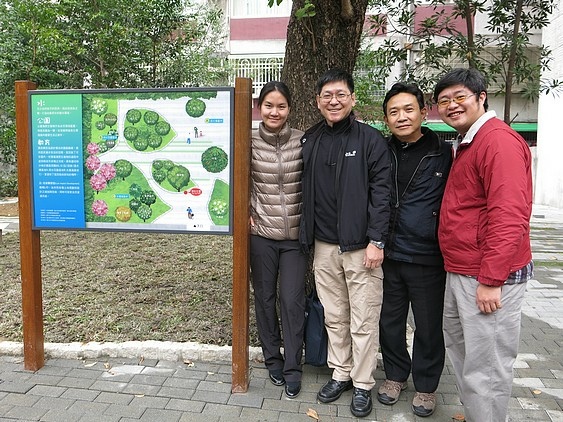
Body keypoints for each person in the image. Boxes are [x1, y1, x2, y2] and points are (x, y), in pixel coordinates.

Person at [433, 68, 533, 422]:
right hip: (463, 269)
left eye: (460, 97)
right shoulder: (471, 141)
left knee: (486, 366)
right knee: (465, 354)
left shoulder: (497, 141)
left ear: (481, 96)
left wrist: (492, 279)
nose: (452, 105)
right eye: (444, 101)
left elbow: (509, 215)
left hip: (487, 276)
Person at [299, 68, 390, 418]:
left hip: (361, 247)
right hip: (323, 246)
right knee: (335, 316)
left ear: (352, 98)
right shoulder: (310, 139)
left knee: (363, 319)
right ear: (318, 102)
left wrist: (377, 241)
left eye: (340, 95)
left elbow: (382, 194)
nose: (333, 101)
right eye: (327, 96)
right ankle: (341, 372)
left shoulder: (370, 140)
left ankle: (364, 382)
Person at [377, 82, 452, 417]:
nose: (401, 117)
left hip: (427, 255)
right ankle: (395, 375)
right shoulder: (380, 149)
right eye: (394, 112)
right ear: (386, 118)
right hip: (388, 252)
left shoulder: (444, 152)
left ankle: (426, 385)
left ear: (424, 111)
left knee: (428, 325)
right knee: (389, 322)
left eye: (408, 109)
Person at [249, 81, 308, 399]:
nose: (275, 111)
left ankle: (292, 367)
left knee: (292, 300)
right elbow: (237, 178)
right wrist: (243, 209)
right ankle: (272, 360)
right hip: (261, 234)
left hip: (295, 237)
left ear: (289, 109)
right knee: (265, 299)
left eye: (281, 106)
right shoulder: (248, 139)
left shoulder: (303, 140)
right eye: (269, 105)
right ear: (260, 108)